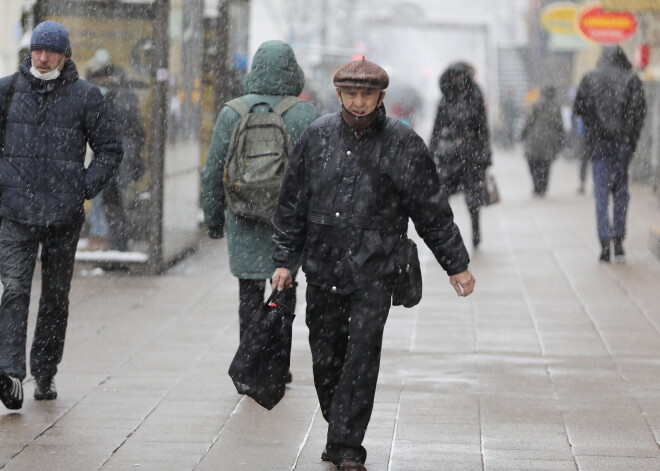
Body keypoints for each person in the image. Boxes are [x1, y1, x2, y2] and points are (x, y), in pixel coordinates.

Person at [271, 58, 476, 471]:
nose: (359, 102)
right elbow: (292, 204)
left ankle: (347, 445)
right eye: (351, 94)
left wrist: (455, 264)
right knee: (325, 356)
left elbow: (431, 210)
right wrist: (284, 260)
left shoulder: (403, 143)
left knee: (362, 356)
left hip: (376, 270)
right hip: (323, 266)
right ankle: (339, 425)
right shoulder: (317, 137)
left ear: (381, 96)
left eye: (367, 94)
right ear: (339, 95)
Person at [0, 21, 122, 410]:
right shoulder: (6, 91)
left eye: (51, 50)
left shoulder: (86, 97)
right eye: (38, 49)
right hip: (15, 213)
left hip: (62, 217)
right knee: (15, 291)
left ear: (65, 55)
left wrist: (83, 188)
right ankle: (11, 373)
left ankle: (45, 370)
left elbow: (110, 149)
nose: (43, 56)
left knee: (55, 297)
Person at [202, 40, 319, 368]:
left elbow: (214, 171)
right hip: (290, 222)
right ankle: (279, 365)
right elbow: (320, 175)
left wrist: (213, 221)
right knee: (284, 288)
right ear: (292, 70)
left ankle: (252, 363)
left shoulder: (232, 111)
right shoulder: (306, 113)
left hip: (243, 216)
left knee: (249, 294)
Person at [573, 46, 646, 262]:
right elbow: (638, 112)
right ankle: (619, 238)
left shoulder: (590, 78)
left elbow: (580, 109)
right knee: (621, 192)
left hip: (599, 145)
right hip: (622, 145)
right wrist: (629, 140)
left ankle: (604, 242)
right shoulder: (631, 79)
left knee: (601, 193)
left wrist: (594, 128)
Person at [430, 62, 492, 248]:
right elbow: (437, 128)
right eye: (453, 77)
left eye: (459, 76)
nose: (456, 81)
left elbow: (482, 127)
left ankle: (475, 232)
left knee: (472, 199)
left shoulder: (474, 96)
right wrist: (429, 153)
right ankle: (445, 234)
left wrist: (486, 155)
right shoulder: (445, 98)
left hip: (469, 154)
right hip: (449, 155)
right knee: (443, 197)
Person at [87, 64, 145, 251]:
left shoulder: (119, 98)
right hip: (114, 160)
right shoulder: (121, 97)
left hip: (116, 162)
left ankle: (111, 241)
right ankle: (109, 239)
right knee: (108, 200)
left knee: (112, 201)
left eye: (104, 79)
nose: (102, 83)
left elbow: (125, 132)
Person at [520, 85, 565, 197]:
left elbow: (529, 122)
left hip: (534, 139)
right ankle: (543, 186)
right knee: (546, 164)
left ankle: (536, 186)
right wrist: (561, 141)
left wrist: (523, 135)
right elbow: (560, 126)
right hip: (550, 141)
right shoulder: (556, 107)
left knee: (533, 163)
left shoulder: (536, 105)